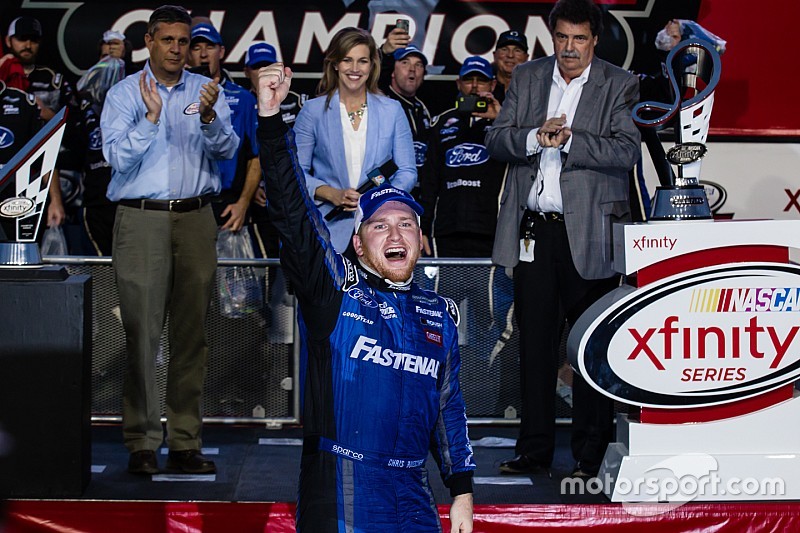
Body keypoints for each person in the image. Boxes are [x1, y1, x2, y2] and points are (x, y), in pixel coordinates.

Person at [256, 61, 474, 533]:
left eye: (406, 224)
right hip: (341, 486)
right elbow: (294, 216)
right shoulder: (334, 291)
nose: (394, 233)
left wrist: (461, 491)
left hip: (414, 494)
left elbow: (447, 408)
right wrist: (272, 124)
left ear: (421, 240)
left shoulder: (441, 314)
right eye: (379, 225)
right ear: (358, 243)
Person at [486, 0, 641, 477]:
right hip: (535, 232)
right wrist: (535, 137)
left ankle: (589, 456)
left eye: (579, 39)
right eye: (562, 38)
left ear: (595, 40)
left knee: (589, 349)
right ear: (550, 36)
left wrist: (570, 139)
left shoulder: (620, 83)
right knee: (533, 346)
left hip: (591, 238)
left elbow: (627, 149)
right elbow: (496, 139)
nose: (569, 48)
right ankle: (533, 450)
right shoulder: (530, 77)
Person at [100, 4, 239, 475]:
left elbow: (228, 150)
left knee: (191, 337)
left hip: (196, 219)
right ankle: (141, 442)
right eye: (170, 41)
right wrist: (152, 119)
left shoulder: (206, 90)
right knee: (142, 335)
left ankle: (184, 442)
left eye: (185, 42)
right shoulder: (124, 95)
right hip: (141, 221)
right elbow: (117, 158)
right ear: (150, 42)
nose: (179, 49)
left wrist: (208, 119)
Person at [293, 27, 416, 252]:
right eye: (347, 60)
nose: (355, 69)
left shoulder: (392, 110)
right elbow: (296, 172)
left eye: (362, 61)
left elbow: (408, 171)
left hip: (381, 230)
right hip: (327, 229)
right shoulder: (312, 111)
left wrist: (379, 199)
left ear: (372, 65)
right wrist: (331, 193)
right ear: (336, 63)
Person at [188, 22, 259, 232]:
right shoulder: (176, 98)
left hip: (229, 205)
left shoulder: (243, 99)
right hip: (188, 202)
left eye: (209, 47)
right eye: (196, 47)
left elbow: (255, 157)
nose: (203, 54)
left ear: (221, 51)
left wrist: (243, 203)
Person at [5, 15, 67, 231]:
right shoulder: (4, 77)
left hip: (32, 177)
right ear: (8, 41)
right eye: (22, 39)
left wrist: (48, 115)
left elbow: (75, 128)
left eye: (33, 39)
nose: (27, 45)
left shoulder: (53, 79)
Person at [75, 43, 126, 255]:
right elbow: (69, 155)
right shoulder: (82, 111)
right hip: (95, 202)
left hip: (126, 201)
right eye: (105, 59)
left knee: (130, 267)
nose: (109, 69)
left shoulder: (136, 104)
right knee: (102, 266)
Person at [378, 43, 432, 199]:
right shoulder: (380, 101)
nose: (412, 69)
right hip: (382, 188)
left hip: (417, 193)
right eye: (405, 63)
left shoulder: (424, 109)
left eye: (418, 65)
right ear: (392, 72)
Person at [492, 30, 529, 104]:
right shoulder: (484, 86)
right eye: (504, 49)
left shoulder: (536, 89)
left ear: (526, 58)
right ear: (495, 55)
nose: (510, 55)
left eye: (517, 50)